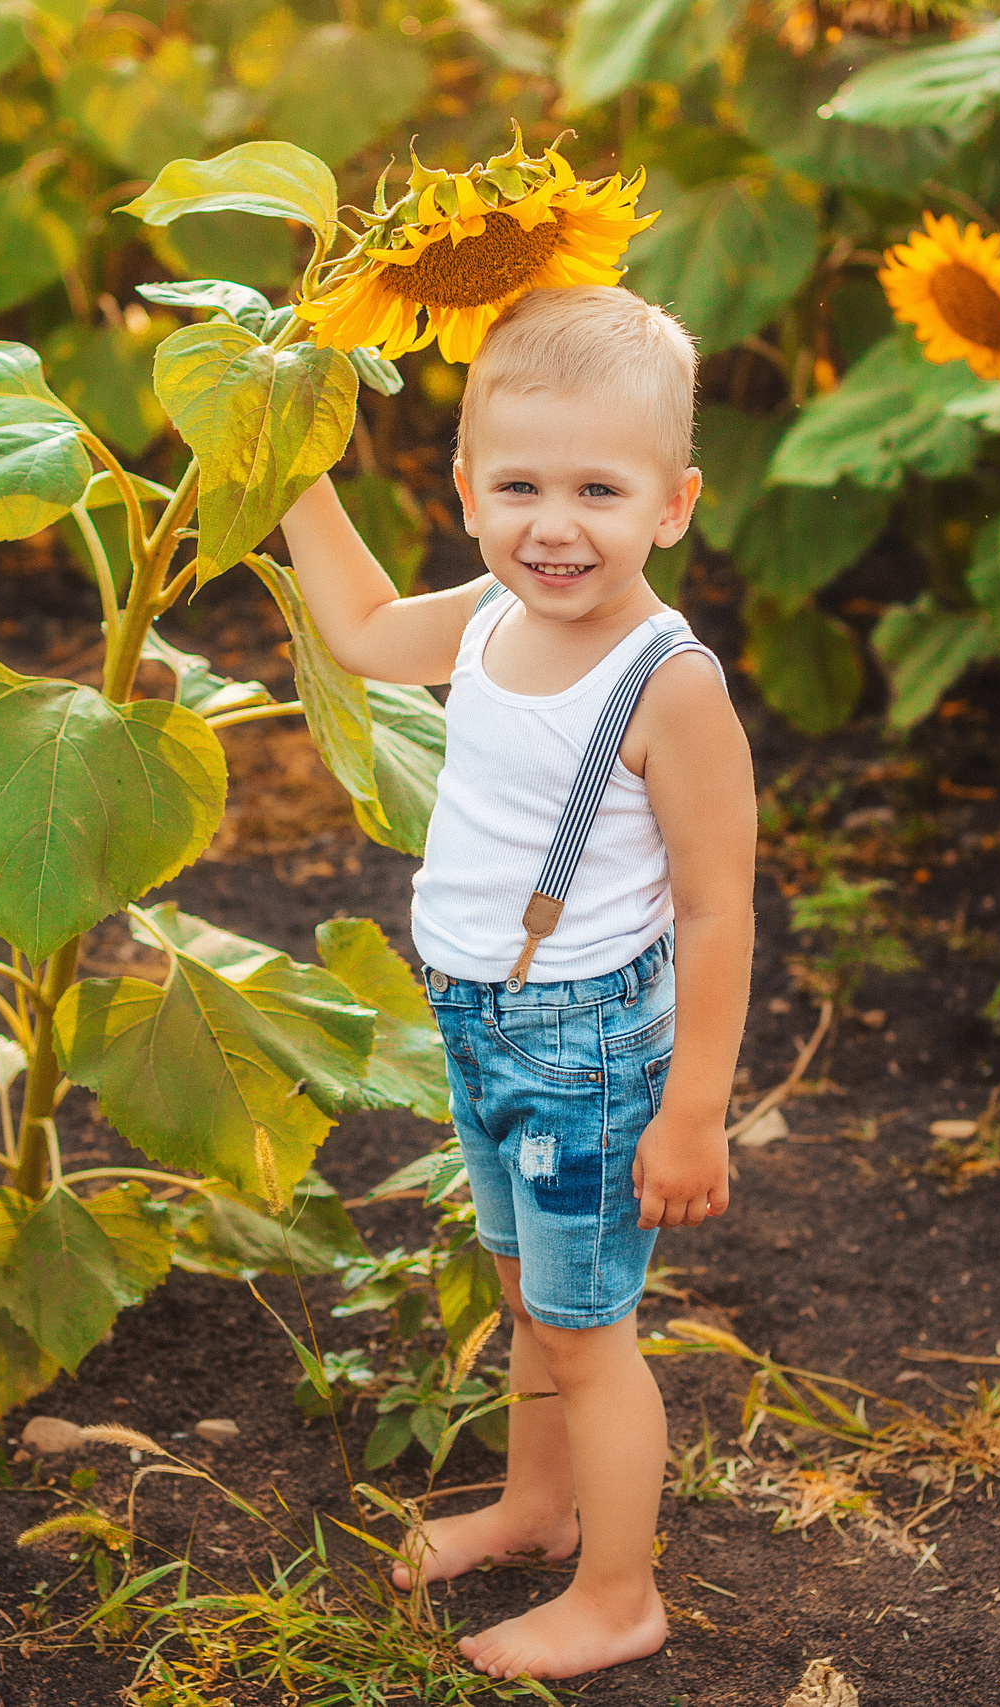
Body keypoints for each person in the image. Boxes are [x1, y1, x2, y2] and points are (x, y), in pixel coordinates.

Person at [280, 284, 757, 1681]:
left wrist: (694, 1111)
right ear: (467, 489)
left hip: (591, 1047)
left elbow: (718, 909)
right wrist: (290, 464)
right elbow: (365, 634)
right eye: (521, 486)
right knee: (527, 1297)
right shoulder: (491, 616)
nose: (556, 525)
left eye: (599, 490)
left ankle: (620, 1593)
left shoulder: (669, 680)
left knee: (590, 1329)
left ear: (674, 504)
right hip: (483, 1024)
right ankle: (540, 1510)